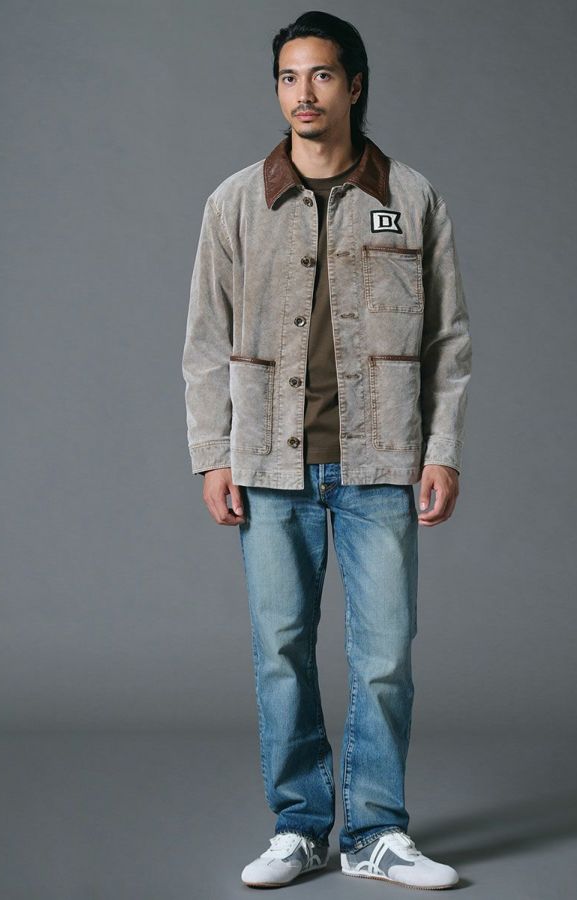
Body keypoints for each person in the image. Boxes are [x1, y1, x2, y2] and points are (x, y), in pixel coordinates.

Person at [182, 10, 472, 891]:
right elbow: (205, 342)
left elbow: (447, 340)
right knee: (281, 654)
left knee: (385, 658)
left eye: (320, 75)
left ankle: (377, 832)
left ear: (354, 85)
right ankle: (300, 828)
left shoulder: (411, 198)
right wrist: (212, 454)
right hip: (270, 467)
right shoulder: (236, 203)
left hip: (381, 463)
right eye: (287, 77)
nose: (302, 93)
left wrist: (442, 450)